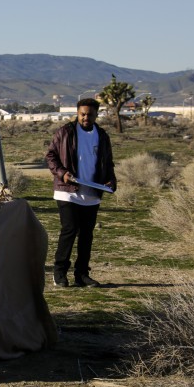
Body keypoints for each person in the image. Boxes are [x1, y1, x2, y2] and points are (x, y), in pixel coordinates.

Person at [45, 97, 117, 288]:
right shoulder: (65, 132)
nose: (86, 117)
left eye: (90, 114)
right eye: (82, 114)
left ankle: (82, 274)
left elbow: (108, 162)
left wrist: (110, 180)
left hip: (91, 192)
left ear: (96, 115)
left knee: (87, 234)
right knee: (69, 230)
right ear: (77, 113)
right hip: (67, 190)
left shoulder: (101, 136)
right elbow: (51, 156)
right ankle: (59, 273)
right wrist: (62, 174)